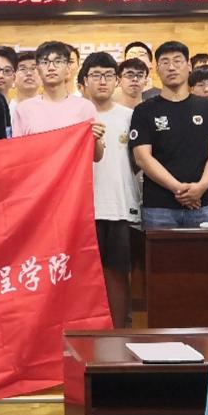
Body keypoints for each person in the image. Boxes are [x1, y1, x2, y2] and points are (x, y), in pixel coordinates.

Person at [130, 42, 208, 228]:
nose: (171, 67)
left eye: (177, 61)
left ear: (189, 66)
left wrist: (201, 187)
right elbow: (142, 158)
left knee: (205, 249)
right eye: (165, 62)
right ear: (157, 69)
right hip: (158, 207)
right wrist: (179, 189)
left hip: (202, 203)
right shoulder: (144, 110)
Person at [79, 52, 140, 326]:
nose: (102, 81)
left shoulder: (131, 117)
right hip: (81, 210)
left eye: (108, 75)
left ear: (117, 81)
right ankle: (86, 331)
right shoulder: (75, 115)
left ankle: (118, 330)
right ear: (83, 81)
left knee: (118, 273)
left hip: (120, 207)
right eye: (95, 75)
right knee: (82, 276)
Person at [12, 41, 103, 162]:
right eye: (45, 62)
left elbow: (97, 157)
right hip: (38, 174)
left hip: (72, 174)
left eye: (58, 62)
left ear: (68, 68)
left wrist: (96, 139)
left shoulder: (85, 107)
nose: (51, 68)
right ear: (38, 69)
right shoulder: (23, 109)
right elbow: (17, 154)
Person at [10, 50, 40, 117]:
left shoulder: (51, 109)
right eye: (23, 69)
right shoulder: (5, 111)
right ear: (13, 77)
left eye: (33, 68)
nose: (29, 73)